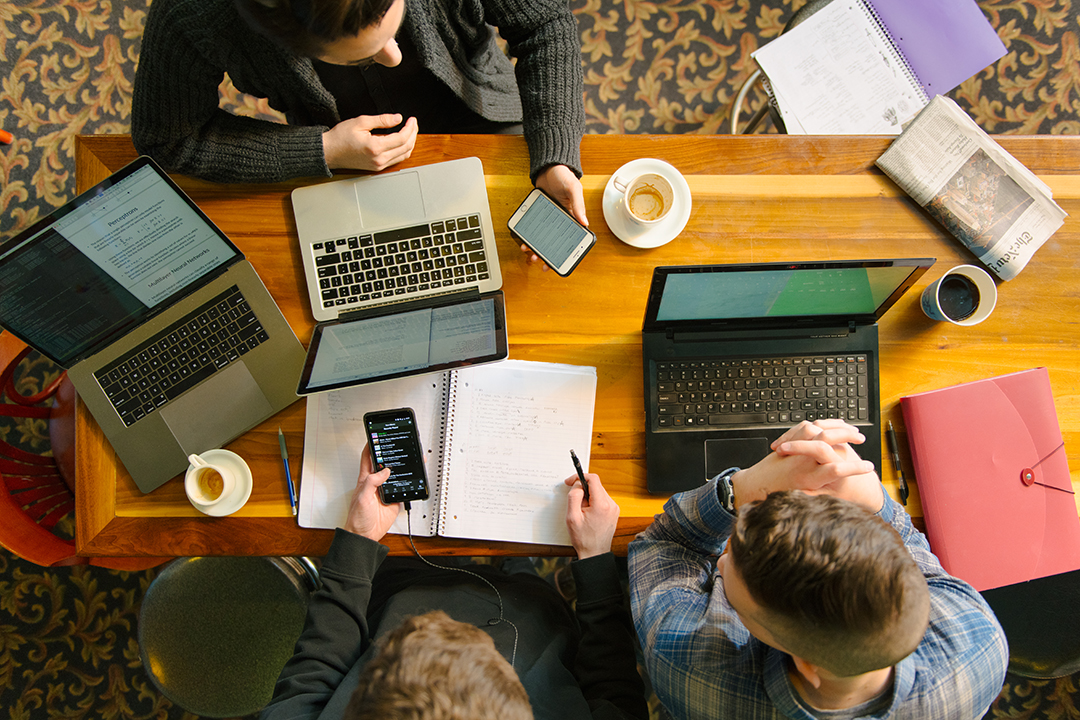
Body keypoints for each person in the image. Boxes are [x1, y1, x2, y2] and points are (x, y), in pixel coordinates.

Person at [628, 419, 1009, 720]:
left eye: (730, 591)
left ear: (808, 666)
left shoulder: (691, 671)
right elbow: (908, 546)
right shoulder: (979, 642)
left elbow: (665, 545)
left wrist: (740, 489)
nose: (721, 565)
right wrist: (875, 501)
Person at [260, 445, 648, 720]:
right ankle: (520, 563)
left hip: (402, 586)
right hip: (535, 611)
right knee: (525, 579)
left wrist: (359, 539)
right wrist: (596, 557)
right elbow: (613, 688)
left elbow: (317, 664)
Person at [131, 0, 588, 225]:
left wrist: (555, 155)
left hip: (484, 109)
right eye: (360, 58)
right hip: (339, 158)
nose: (395, 56)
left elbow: (544, 22)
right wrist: (323, 149)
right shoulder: (195, 12)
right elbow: (169, 137)